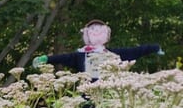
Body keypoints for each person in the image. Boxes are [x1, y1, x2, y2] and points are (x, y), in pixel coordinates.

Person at [32, 20, 163, 80]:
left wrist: (153, 48)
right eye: (93, 31)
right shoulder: (80, 55)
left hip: (109, 94)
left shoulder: (112, 54)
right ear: (87, 35)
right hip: (88, 96)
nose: (96, 33)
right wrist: (47, 59)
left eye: (99, 31)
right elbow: (63, 58)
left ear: (106, 34)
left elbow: (135, 51)